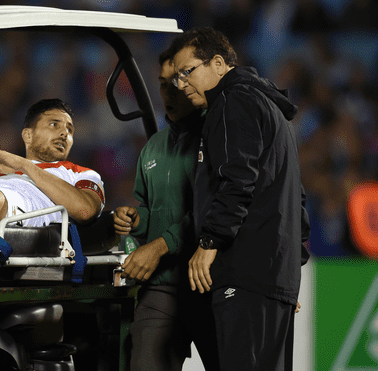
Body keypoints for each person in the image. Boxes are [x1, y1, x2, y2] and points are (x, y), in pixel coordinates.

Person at [170, 27, 310, 370]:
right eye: (176, 78)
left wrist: (209, 241)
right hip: (274, 274)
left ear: (218, 63)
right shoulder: (271, 110)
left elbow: (237, 179)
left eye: (187, 72)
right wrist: (290, 268)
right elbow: (298, 200)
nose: (182, 84)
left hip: (245, 271)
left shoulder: (233, 101)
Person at [113, 46, 220, 371]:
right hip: (161, 287)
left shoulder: (217, 136)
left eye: (178, 79)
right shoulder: (153, 147)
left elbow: (214, 208)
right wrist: (134, 218)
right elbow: (148, 208)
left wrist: (161, 246)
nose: (170, 90)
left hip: (211, 282)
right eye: (162, 82)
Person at [0, 99, 105, 228]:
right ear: (28, 135)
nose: (64, 133)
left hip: (21, 202)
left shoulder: (80, 173)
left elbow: (86, 210)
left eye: (70, 130)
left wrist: (25, 166)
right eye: (54, 125)